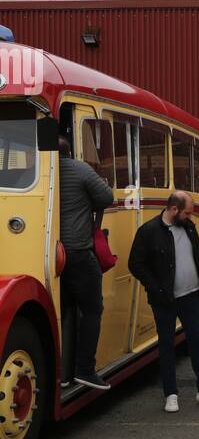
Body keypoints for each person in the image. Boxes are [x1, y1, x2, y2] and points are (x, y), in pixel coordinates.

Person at [129, 190, 199, 413]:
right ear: (174, 209)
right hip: (164, 300)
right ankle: (171, 394)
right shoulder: (149, 231)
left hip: (191, 296)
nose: (190, 217)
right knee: (166, 345)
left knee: (196, 341)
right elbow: (135, 264)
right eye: (187, 212)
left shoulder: (189, 227)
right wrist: (155, 287)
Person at [58, 134, 114, 390]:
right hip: (78, 251)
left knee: (64, 311)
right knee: (92, 309)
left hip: (47, 253)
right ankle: (85, 369)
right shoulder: (80, 169)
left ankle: (63, 372)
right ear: (69, 152)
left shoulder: (33, 170)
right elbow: (106, 197)